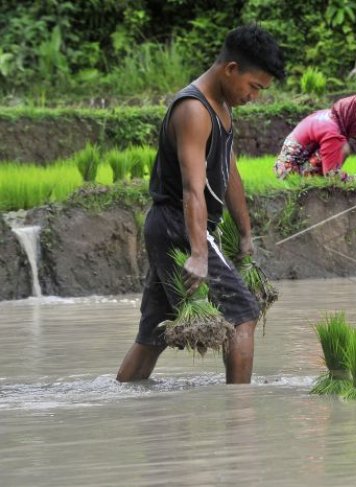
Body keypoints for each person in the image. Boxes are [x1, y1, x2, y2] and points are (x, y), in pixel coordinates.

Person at [116, 24, 285, 384]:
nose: (255, 96)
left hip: (178, 227)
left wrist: (245, 232)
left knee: (153, 334)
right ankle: (240, 417)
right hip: (178, 224)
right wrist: (197, 253)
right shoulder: (194, 109)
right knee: (243, 313)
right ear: (231, 69)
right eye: (254, 87)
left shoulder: (222, 106)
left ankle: (125, 399)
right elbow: (193, 190)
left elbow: (230, 171)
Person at [274, 95, 356, 180]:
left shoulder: (331, 115)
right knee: (344, 149)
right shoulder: (333, 135)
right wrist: (353, 180)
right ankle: (311, 181)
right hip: (290, 173)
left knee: (341, 147)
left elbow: (342, 127)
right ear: (352, 123)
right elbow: (331, 175)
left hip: (283, 165)